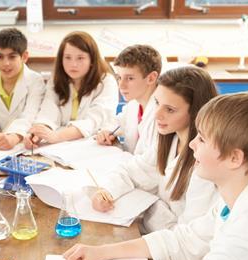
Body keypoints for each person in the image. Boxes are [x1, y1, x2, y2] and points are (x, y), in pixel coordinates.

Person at [63, 91, 248, 260]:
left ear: (234, 158)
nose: (191, 144)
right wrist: (103, 252)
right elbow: (187, 240)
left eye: (202, 138)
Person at [93, 67, 218, 233]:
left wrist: (151, 206)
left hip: (172, 252)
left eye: (170, 109)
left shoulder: (205, 163)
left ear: (196, 112)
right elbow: (130, 171)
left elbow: (188, 235)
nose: (156, 115)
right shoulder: (168, 140)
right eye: (157, 103)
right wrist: (106, 191)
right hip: (154, 237)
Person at [24, 31, 119, 148]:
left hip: (95, 145)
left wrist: (57, 136)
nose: (73, 64)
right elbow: (48, 111)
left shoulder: (106, 82)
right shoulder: (56, 80)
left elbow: (93, 121)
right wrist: (38, 133)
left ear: (92, 60)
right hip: (61, 147)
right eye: (67, 57)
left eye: (80, 58)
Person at [96, 44, 161, 154]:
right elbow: (115, 123)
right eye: (119, 77)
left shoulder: (162, 114)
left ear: (151, 78)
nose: (121, 85)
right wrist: (106, 133)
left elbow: (149, 163)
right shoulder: (134, 104)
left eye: (130, 78)